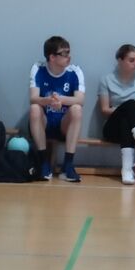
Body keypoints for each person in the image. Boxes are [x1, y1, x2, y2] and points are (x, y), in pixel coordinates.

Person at [97, 44, 135, 185]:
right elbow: (104, 109)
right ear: (120, 60)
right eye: (131, 60)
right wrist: (126, 108)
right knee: (129, 105)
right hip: (113, 128)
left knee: (127, 120)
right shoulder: (106, 79)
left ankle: (127, 170)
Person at [28, 35, 85, 182]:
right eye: (64, 53)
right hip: (45, 122)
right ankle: (43, 163)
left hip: (64, 125)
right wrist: (47, 101)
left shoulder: (75, 71)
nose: (68, 57)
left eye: (69, 52)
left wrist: (61, 100)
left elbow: (80, 100)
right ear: (52, 57)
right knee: (34, 108)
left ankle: (68, 165)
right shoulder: (38, 69)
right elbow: (33, 98)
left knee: (77, 109)